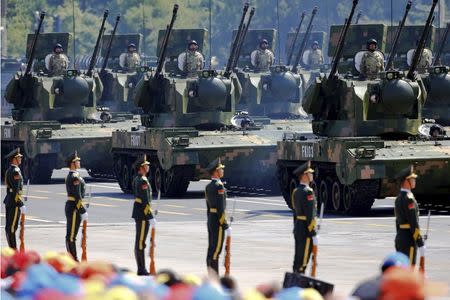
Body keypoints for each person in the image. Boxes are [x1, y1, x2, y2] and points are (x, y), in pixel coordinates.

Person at [394, 165, 425, 266]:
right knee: (409, 271)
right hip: (409, 239)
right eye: (412, 179)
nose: (414, 181)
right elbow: (413, 223)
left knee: (402, 270)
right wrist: (420, 242)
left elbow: (397, 222)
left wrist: (400, 236)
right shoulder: (409, 198)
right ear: (406, 181)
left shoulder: (398, 198)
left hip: (400, 238)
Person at [205, 158, 230, 275]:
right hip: (218, 222)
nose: (222, 171)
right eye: (220, 169)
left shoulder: (209, 186)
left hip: (211, 219)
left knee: (211, 249)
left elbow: (208, 207)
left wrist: (210, 219)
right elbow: (220, 208)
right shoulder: (219, 186)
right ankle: (214, 276)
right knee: (216, 250)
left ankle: (210, 274)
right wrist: (225, 224)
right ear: (215, 171)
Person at [291, 161, 317, 274]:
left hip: (298, 227)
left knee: (298, 254)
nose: (311, 175)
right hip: (306, 229)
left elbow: (295, 212)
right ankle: (300, 277)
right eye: (309, 173)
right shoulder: (308, 192)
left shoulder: (296, 191)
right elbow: (310, 214)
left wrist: (296, 227)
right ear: (304, 175)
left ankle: (296, 274)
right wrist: (313, 232)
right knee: (304, 256)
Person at [132, 155, 155, 275]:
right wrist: (150, 216)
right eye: (146, 165)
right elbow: (145, 201)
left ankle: (142, 268)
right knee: (141, 241)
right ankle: (141, 269)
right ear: (141, 167)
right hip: (142, 214)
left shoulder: (138, 179)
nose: (148, 167)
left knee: (140, 241)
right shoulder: (142, 180)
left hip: (140, 213)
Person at [65, 151, 88, 261]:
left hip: (73, 206)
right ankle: (73, 259)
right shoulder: (74, 177)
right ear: (73, 163)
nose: (79, 162)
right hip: (74, 208)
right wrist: (82, 210)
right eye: (77, 161)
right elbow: (77, 196)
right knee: (71, 236)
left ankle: (72, 258)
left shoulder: (75, 175)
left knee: (71, 235)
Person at [3, 148, 26, 250]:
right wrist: (20, 203)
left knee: (9, 227)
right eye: (18, 157)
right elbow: (16, 190)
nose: (20, 159)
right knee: (12, 228)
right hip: (14, 201)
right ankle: (13, 251)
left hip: (10, 200)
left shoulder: (10, 170)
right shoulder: (15, 171)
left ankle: (12, 249)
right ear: (14, 159)